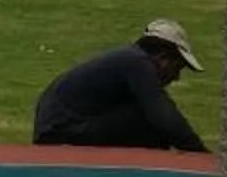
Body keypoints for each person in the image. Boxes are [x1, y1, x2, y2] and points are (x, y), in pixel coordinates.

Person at [33, 19, 209, 152]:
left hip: (59, 129)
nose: (176, 77)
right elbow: (165, 116)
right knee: (148, 120)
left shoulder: (129, 60)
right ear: (163, 58)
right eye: (177, 68)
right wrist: (201, 156)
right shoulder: (136, 63)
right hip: (61, 133)